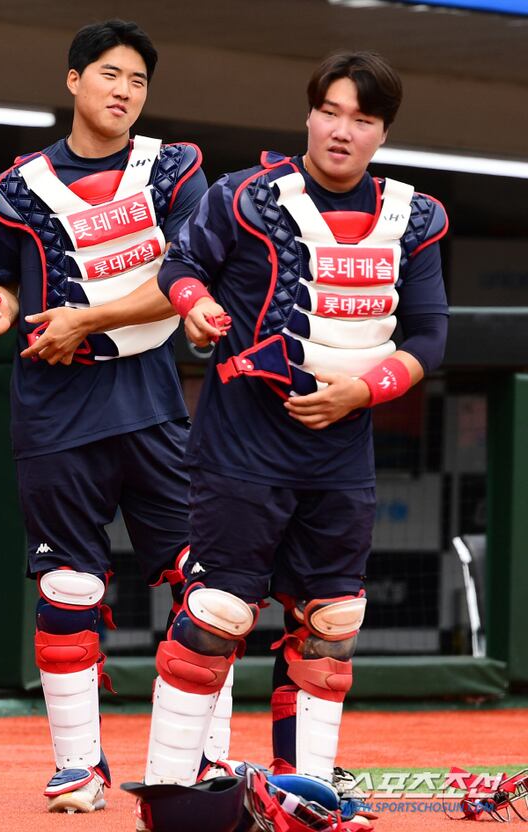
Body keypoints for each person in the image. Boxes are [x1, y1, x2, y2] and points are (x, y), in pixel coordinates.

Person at [138, 50, 449, 808]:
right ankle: (170, 794)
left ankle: (305, 794)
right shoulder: (244, 195)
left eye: (362, 119)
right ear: (309, 115)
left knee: (334, 624)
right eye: (330, 112)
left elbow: (430, 335)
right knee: (218, 612)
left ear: (382, 132)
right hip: (242, 447)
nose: (342, 131)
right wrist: (195, 306)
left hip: (341, 453)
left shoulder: (415, 218)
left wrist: (362, 391)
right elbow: (180, 266)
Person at [0, 19, 209, 814]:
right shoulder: (13, 189)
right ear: (73, 80)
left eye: (138, 80)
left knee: (206, 585)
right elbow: (3, 285)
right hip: (54, 411)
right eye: (109, 74)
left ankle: (197, 763)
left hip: (151, 404)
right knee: (67, 585)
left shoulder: (175, 169)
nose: (124, 91)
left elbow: (184, 277)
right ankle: (77, 769)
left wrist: (85, 319)